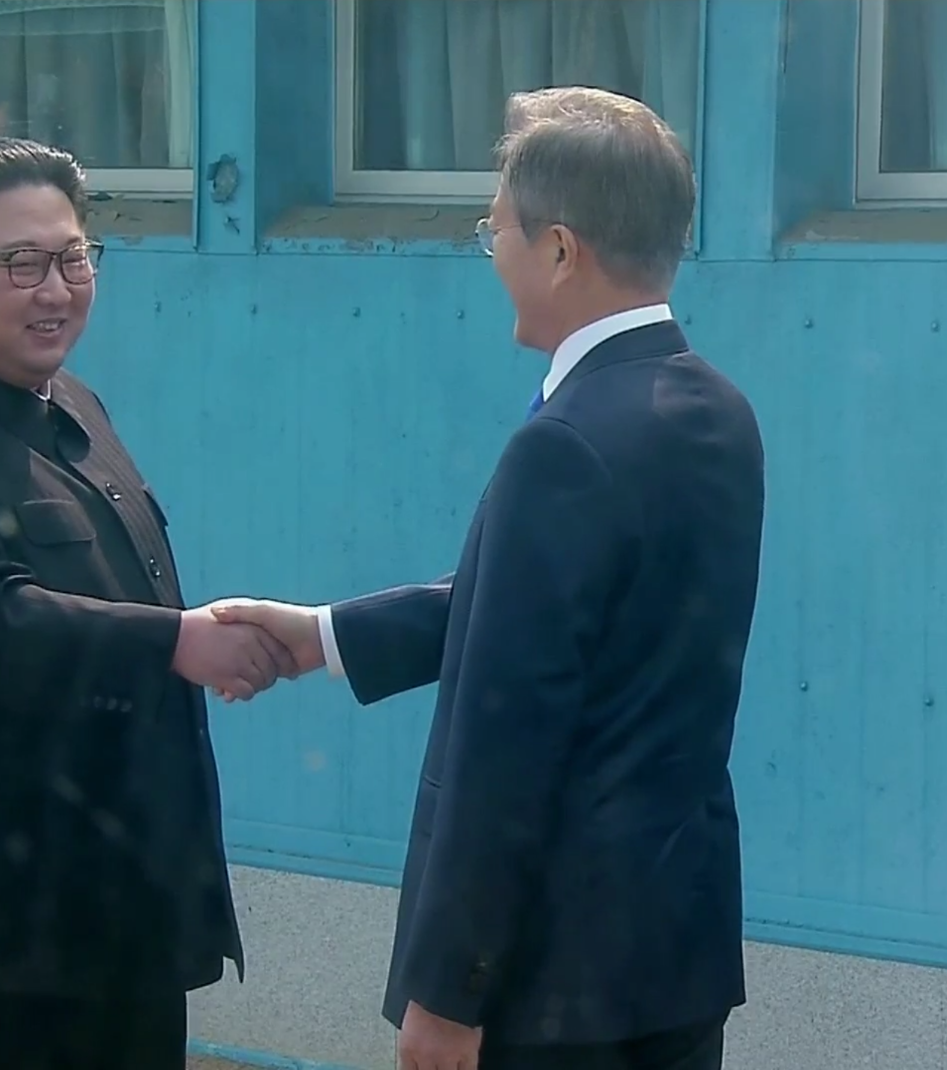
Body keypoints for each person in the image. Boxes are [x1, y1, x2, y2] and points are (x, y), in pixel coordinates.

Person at [212, 87, 765, 1070]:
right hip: (672, 953)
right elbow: (557, 612)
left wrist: (450, 989)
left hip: (552, 982)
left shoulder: (565, 443)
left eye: (496, 228)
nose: (492, 250)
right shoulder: (715, 410)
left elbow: (506, 738)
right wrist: (328, 636)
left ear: (560, 250)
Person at [0, 135, 294, 1070]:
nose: (57, 290)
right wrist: (177, 643)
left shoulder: (73, 405)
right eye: (21, 264)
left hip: (111, 929)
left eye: (74, 259)